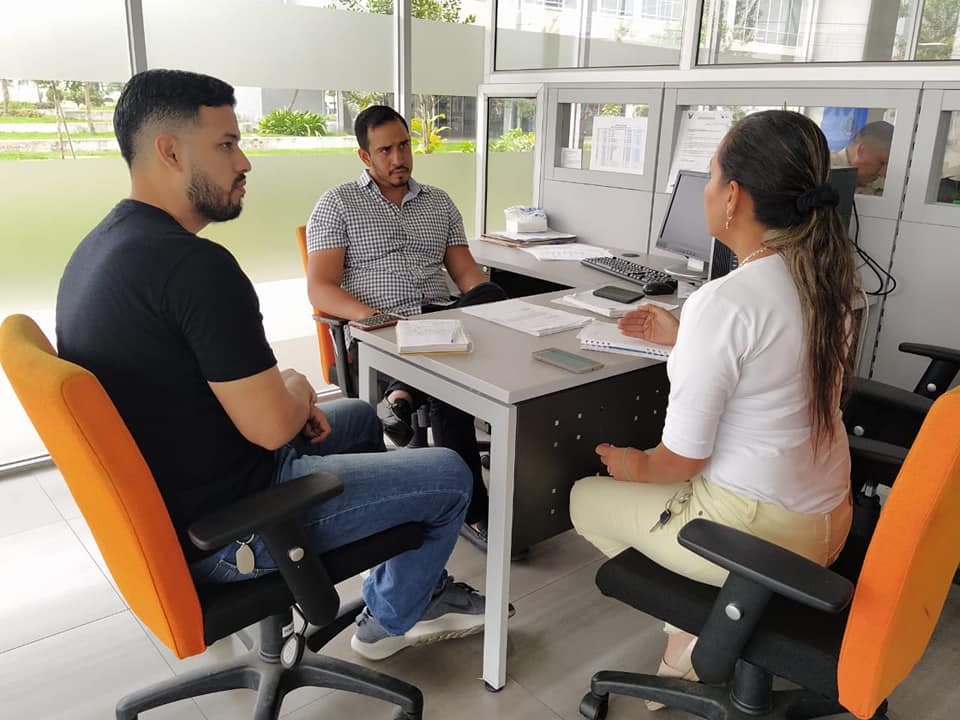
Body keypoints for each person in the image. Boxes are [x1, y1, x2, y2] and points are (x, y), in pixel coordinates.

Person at [55, 69, 493, 662]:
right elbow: (272, 425)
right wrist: (295, 388)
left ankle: (401, 576)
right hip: (233, 526)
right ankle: (391, 621)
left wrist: (288, 397)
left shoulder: (98, 249)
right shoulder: (195, 269)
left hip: (184, 495)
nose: (244, 163)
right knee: (449, 474)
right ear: (170, 152)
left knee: (359, 417)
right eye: (226, 145)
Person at [570, 110, 857, 709]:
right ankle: (710, 623)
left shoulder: (726, 301)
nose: (705, 189)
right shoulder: (827, 279)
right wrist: (687, 338)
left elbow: (678, 463)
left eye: (710, 175)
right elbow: (775, 366)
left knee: (583, 498)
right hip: (828, 522)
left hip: (760, 536)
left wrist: (627, 463)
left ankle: (696, 641)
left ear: (733, 197)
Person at [305, 105, 507, 551]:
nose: (399, 159)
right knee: (450, 388)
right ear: (365, 156)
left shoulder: (439, 202)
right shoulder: (337, 204)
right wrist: (377, 320)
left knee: (493, 293)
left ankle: (402, 395)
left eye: (404, 145)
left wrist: (493, 310)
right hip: (380, 333)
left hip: (441, 321)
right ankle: (474, 510)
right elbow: (320, 288)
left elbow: (468, 277)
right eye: (386, 150)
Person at [830, 120, 893, 195]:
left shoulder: (873, 182)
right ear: (862, 150)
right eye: (882, 163)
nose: (883, 174)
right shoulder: (823, 169)